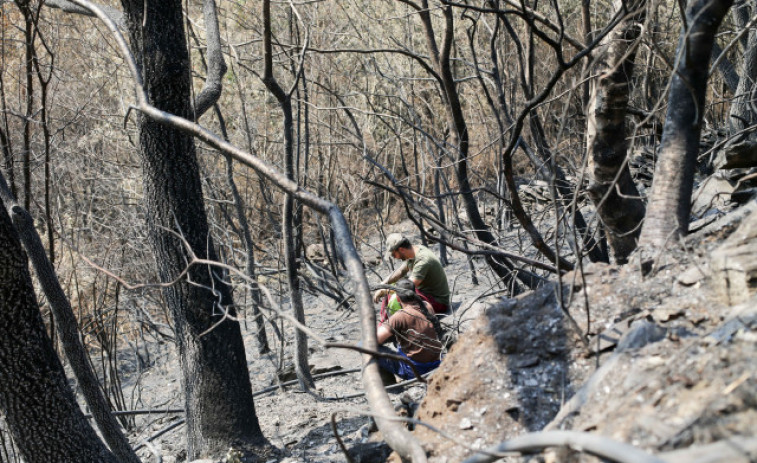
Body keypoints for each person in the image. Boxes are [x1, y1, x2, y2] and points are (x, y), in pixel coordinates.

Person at [375, 279, 444, 380]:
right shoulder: (427, 306)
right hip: (437, 363)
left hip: (416, 371)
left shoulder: (399, 317)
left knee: (368, 348)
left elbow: (373, 341)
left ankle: (393, 388)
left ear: (398, 298)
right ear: (415, 293)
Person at [373, 233, 450, 321]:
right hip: (425, 293)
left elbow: (407, 288)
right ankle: (385, 324)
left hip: (437, 302)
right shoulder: (412, 252)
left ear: (401, 249)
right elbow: (400, 271)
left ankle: (395, 325)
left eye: (394, 255)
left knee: (397, 296)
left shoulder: (423, 259)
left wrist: (384, 291)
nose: (394, 257)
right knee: (391, 289)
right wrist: (382, 285)